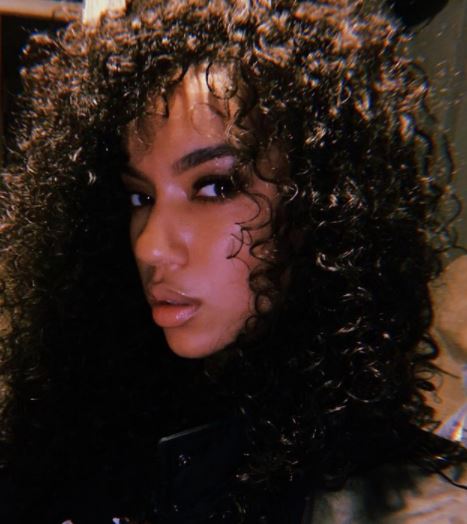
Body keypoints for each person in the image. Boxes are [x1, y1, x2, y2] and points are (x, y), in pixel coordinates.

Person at [0, 0, 466, 522]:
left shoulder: (414, 507)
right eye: (140, 196)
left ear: (323, 204)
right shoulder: (81, 423)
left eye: (215, 187)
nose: (151, 246)